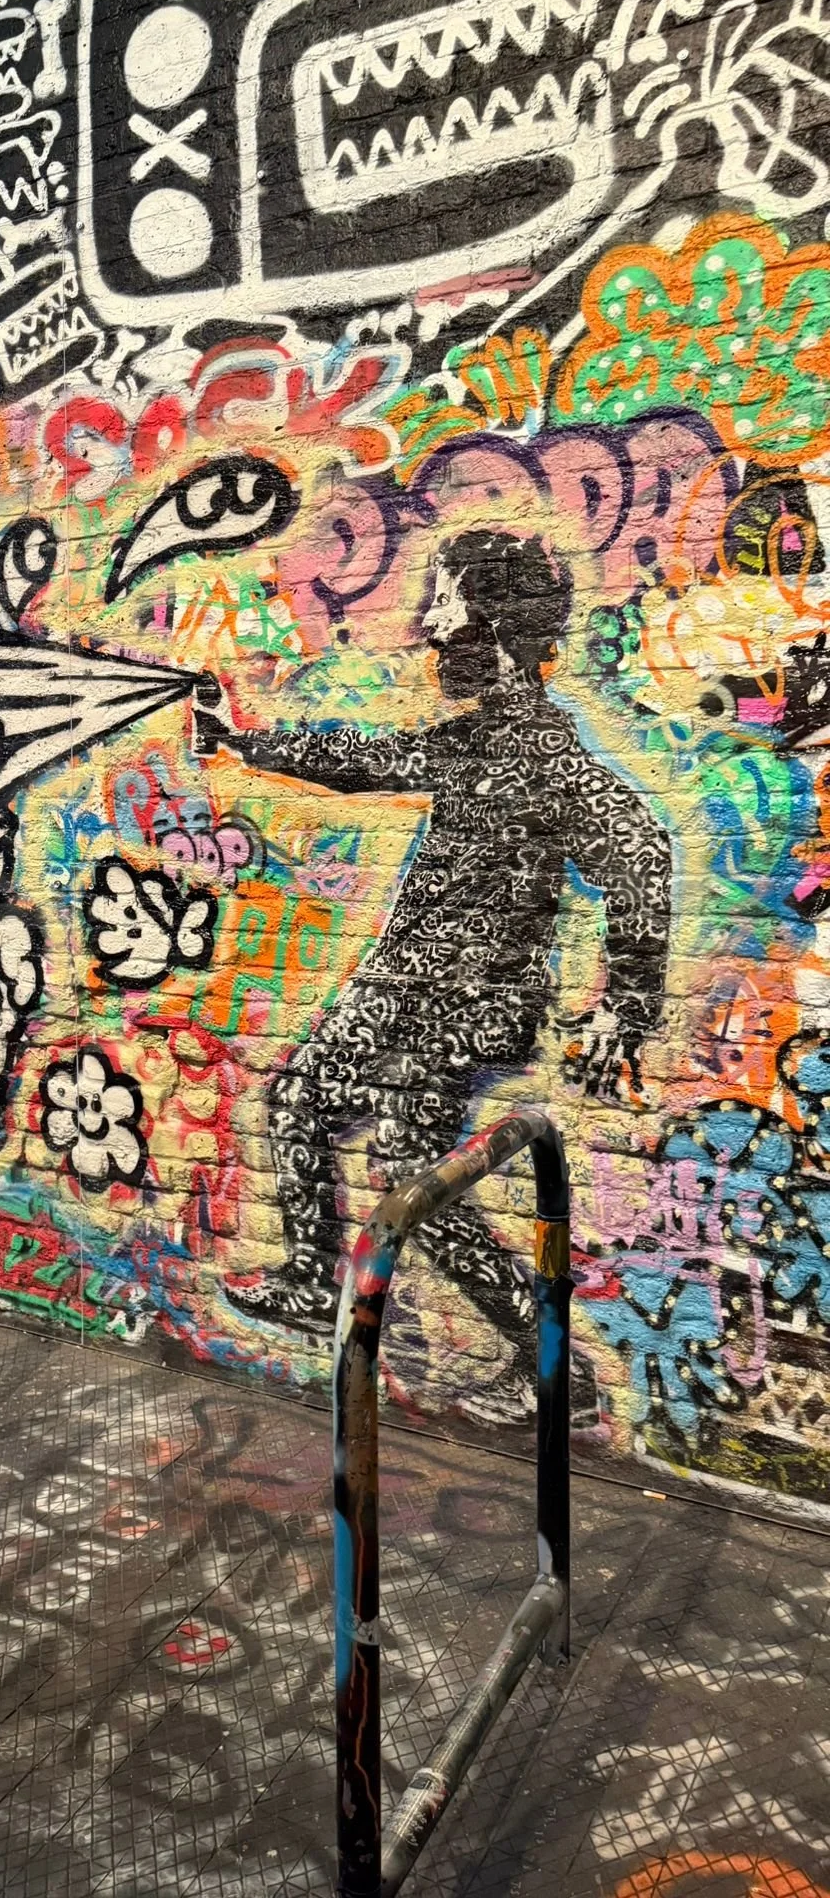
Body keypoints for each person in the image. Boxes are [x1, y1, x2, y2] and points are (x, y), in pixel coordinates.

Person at [194, 527, 672, 1419]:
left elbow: (642, 853)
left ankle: (527, 1357)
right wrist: (246, 744)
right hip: (417, 988)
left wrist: (631, 1003)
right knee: (356, 1131)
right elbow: (367, 760)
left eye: (444, 602)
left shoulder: (544, 757)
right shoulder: (481, 740)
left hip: (457, 999)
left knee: (354, 1130)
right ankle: (521, 1353)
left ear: (491, 620)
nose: (427, 626)